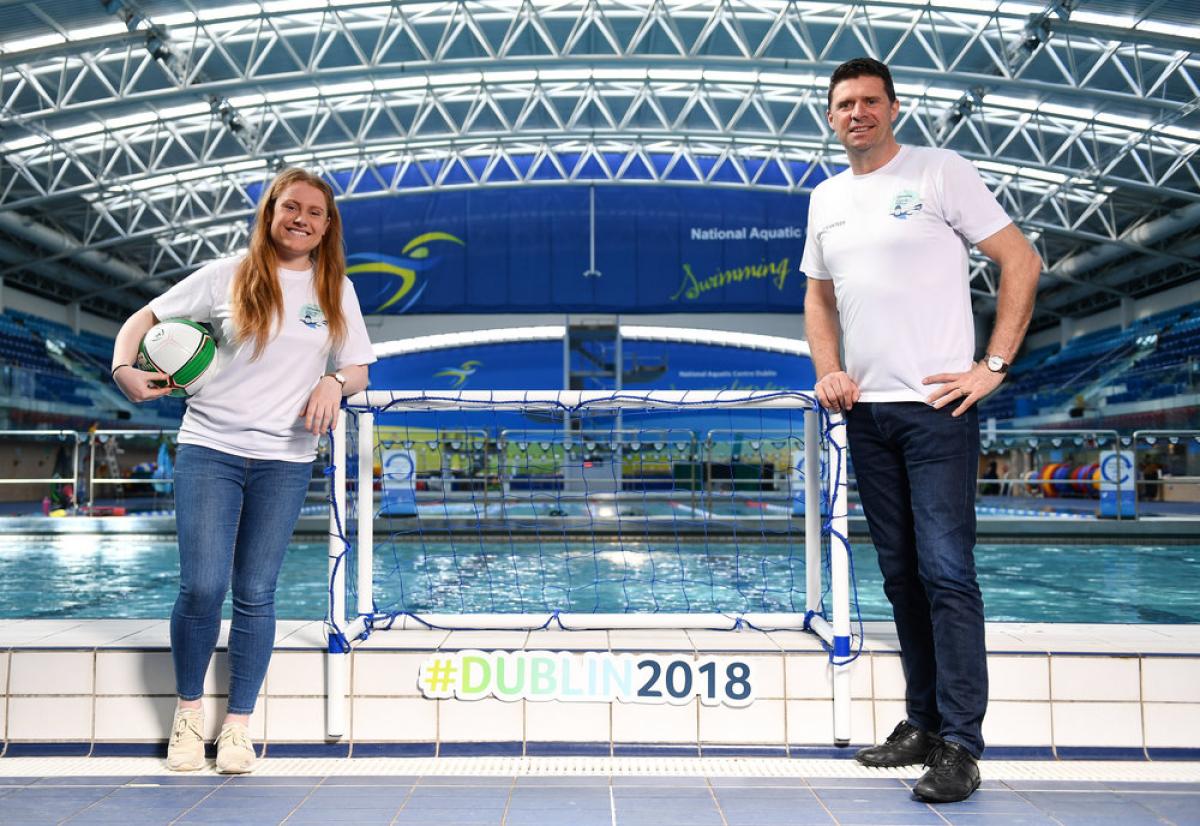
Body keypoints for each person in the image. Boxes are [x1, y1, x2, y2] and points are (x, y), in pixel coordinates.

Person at [802, 58, 1040, 803]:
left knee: (946, 572)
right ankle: (923, 723)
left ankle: (963, 746)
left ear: (893, 108)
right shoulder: (826, 199)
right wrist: (830, 369)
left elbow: (1021, 261)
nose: (857, 114)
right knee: (900, 576)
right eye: (845, 104)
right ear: (831, 117)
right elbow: (818, 299)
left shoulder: (941, 172)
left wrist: (992, 364)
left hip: (939, 409)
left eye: (870, 101)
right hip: (866, 414)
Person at [111, 168, 375, 773]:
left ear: (327, 225)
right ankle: (186, 716)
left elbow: (358, 366)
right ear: (270, 212)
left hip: (284, 460)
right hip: (210, 446)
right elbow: (143, 320)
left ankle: (237, 726)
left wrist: (335, 381)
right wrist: (124, 368)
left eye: (314, 211)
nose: (301, 218)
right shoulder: (226, 274)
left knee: (256, 593)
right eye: (290, 207)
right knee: (202, 586)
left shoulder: (337, 290)